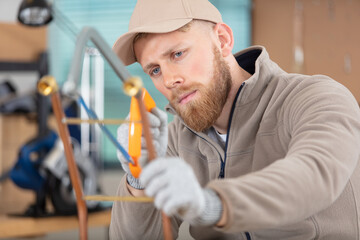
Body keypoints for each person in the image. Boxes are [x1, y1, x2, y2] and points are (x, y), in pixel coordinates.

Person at [109, 0, 360, 239]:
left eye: (177, 54)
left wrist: (211, 205)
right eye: (154, 70)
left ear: (222, 40)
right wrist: (139, 177)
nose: (168, 80)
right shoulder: (173, 139)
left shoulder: (315, 98)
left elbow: (313, 175)